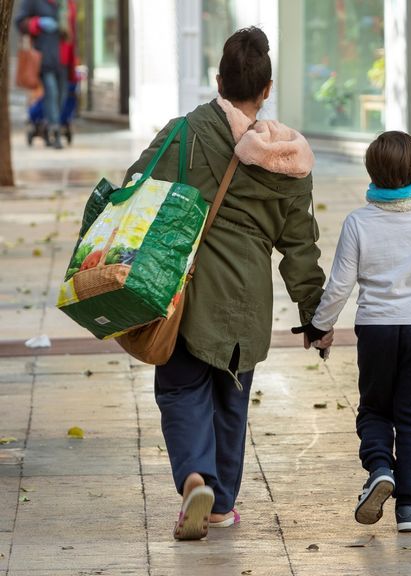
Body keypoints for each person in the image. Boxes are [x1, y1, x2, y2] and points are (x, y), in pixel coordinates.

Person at [123, 27, 326, 540]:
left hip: (186, 293)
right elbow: (299, 243)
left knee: (181, 389)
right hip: (247, 299)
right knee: (231, 399)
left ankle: (195, 477)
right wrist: (314, 314)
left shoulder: (186, 133)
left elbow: (135, 189)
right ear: (267, 88)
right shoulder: (289, 159)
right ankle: (221, 505)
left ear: (218, 80)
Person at [295, 131, 411, 533]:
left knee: (375, 407)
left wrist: (320, 326)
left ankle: (378, 468)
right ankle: (409, 505)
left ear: (371, 171)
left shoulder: (358, 221)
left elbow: (340, 285)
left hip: (375, 329)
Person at [17, 0, 78, 149]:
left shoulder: (67, 2)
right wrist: (38, 23)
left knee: (62, 96)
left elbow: (72, 30)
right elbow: (20, 22)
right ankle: (55, 132)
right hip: (44, 58)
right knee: (51, 92)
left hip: (64, 59)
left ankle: (48, 125)